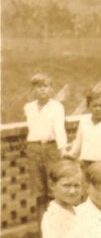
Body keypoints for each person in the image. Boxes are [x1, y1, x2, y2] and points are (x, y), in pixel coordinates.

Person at [25, 73, 68, 225]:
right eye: (38, 87)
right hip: (34, 149)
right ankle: (42, 234)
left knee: (52, 190)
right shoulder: (29, 108)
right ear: (33, 90)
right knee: (38, 192)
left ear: (51, 89)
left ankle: (56, 230)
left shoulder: (57, 107)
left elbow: (60, 130)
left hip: (51, 148)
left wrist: (63, 150)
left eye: (46, 86)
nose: (42, 90)